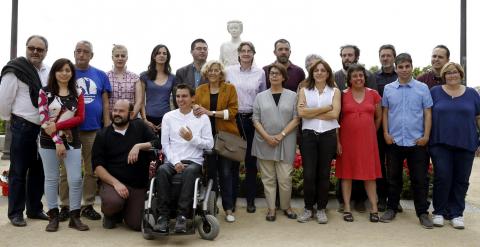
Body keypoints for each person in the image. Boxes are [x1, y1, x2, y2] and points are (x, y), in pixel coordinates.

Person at [0, 35, 50, 226]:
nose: (36, 52)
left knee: (39, 171)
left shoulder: (47, 71)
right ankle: (15, 213)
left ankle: (35, 209)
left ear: (46, 51)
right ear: (26, 48)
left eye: (40, 49)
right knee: (19, 172)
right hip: (22, 126)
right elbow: (3, 100)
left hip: (43, 129)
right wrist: (10, 119)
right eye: (32, 48)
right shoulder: (15, 70)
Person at [59, 40, 111, 221]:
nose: (81, 54)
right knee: (66, 171)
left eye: (85, 52)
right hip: (69, 130)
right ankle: (64, 206)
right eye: (78, 51)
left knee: (91, 169)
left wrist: (106, 127)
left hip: (93, 129)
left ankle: (87, 205)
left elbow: (105, 103)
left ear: (91, 55)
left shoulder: (100, 75)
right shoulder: (66, 74)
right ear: (74, 53)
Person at [380, 53, 434, 229]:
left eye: (407, 66)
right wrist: (386, 133)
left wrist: (426, 136)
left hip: (416, 141)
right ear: (396, 68)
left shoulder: (422, 88)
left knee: (420, 179)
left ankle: (422, 213)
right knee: (393, 178)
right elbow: (385, 112)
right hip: (394, 141)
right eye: (400, 67)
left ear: (411, 67)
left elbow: (427, 113)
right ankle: (391, 208)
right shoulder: (388, 89)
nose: (404, 70)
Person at [152, 83, 214, 233]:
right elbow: (165, 144)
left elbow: (209, 145)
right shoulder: (169, 117)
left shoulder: (202, 118)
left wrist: (192, 139)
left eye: (184, 96)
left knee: (189, 172)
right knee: (161, 171)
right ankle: (163, 217)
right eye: (178, 96)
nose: (180, 99)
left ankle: (182, 216)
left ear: (193, 98)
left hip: (194, 161)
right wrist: (176, 162)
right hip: (173, 161)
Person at [38, 58, 89, 231]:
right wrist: (57, 141)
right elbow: (44, 121)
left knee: (75, 179)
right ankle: (53, 217)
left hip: (72, 140)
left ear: (72, 73)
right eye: (60, 70)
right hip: (47, 141)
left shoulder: (78, 92)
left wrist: (58, 126)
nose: (64, 73)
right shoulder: (44, 92)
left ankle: (75, 217)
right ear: (54, 72)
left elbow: (80, 118)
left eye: (68, 70)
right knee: (51, 178)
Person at [429, 62, 480, 229]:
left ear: (461, 74)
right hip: (440, 142)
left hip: (466, 143)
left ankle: (457, 213)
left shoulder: (472, 93)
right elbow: (426, 114)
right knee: (442, 177)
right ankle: (439, 212)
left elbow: (478, 118)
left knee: (461, 180)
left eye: (455, 72)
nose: (452, 75)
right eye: (448, 73)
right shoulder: (435, 92)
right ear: (444, 75)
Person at [92, 99, 156, 231]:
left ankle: (125, 210)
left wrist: (139, 146)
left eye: (121, 111)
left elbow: (158, 143)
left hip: (137, 184)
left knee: (137, 224)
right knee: (113, 202)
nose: (117, 113)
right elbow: (98, 166)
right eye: (115, 110)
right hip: (113, 184)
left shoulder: (140, 127)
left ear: (131, 114)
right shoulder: (102, 134)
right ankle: (111, 214)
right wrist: (116, 183)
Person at [252, 63, 299, 222]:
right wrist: (266, 136)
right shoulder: (260, 97)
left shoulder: (293, 96)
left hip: (286, 141)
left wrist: (281, 134)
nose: (274, 76)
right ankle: (271, 208)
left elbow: (296, 118)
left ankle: (286, 206)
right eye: (271, 73)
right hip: (264, 141)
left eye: (278, 73)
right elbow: (255, 119)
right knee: (268, 178)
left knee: (285, 178)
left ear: (284, 77)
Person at [194, 60, 240, 222]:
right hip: (206, 137)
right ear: (206, 73)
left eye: (216, 70)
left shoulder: (230, 88)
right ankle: (211, 207)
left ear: (221, 73)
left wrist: (210, 113)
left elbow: (233, 112)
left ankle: (228, 209)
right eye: (210, 70)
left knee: (226, 173)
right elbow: (195, 110)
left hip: (226, 136)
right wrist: (197, 110)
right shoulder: (200, 90)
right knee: (211, 173)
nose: (213, 73)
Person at [335, 64, 382, 223]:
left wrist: (370, 132)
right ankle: (347, 207)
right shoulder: (341, 95)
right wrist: (338, 141)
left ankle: (374, 208)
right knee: (346, 174)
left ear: (365, 77)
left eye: (361, 75)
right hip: (346, 140)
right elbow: (336, 119)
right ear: (349, 79)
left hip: (368, 140)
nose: (358, 78)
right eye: (354, 76)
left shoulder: (374, 94)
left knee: (370, 175)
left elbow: (378, 117)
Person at [296, 59, 340, 224]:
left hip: (328, 136)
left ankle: (321, 208)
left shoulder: (335, 91)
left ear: (328, 73)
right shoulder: (304, 90)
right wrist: (326, 108)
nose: (319, 73)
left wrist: (311, 112)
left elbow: (334, 115)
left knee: (323, 174)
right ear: (312, 73)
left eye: (323, 70)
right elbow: (301, 113)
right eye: (316, 70)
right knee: (308, 174)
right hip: (309, 136)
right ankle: (308, 208)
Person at [226, 41, 266, 213]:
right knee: (234, 163)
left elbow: (262, 95)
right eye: (243, 51)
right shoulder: (230, 71)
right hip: (234, 120)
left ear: (253, 53)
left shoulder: (260, 73)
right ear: (239, 54)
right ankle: (232, 200)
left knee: (251, 163)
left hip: (251, 120)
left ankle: (250, 200)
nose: (246, 53)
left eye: (250, 51)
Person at [375, 44, 399, 212]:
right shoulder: (373, 78)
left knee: (394, 166)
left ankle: (394, 200)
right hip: (378, 128)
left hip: (397, 127)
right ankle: (382, 198)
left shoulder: (401, 76)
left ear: (394, 57)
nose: (385, 58)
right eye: (382, 56)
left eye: (388, 55)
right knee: (380, 165)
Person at [140, 44, 174, 134]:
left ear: (167, 57)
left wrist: (169, 120)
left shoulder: (173, 77)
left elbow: (175, 100)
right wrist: (144, 120)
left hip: (166, 118)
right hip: (148, 118)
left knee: (165, 147)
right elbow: (141, 101)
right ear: (154, 56)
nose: (161, 55)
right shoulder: (144, 76)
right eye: (158, 53)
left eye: (164, 53)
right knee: (148, 146)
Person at [106, 44, 143, 117]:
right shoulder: (105, 77)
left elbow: (139, 101)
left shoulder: (135, 77)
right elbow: (103, 101)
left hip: (130, 121)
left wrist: (129, 118)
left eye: (123, 56)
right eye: (117, 56)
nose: (120, 58)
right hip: (110, 121)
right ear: (112, 58)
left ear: (127, 58)